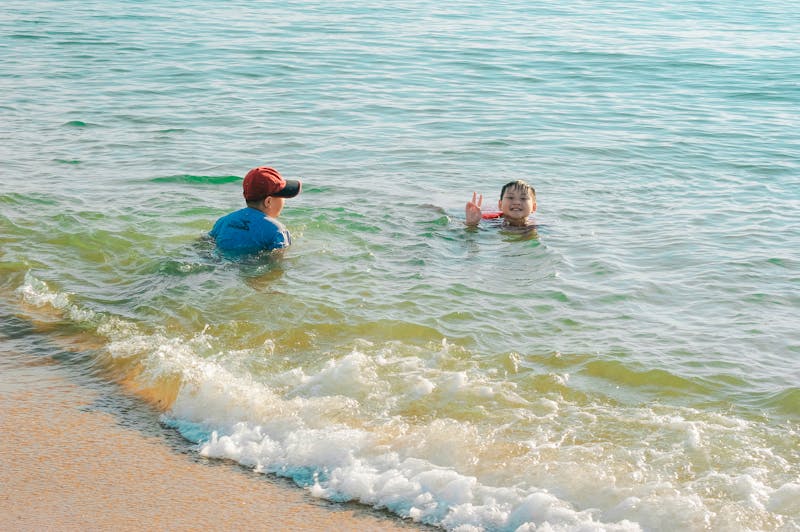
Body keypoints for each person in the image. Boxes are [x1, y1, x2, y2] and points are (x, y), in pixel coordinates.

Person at [209, 166, 302, 256]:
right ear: (268, 201)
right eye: (283, 196)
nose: (284, 201)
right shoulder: (277, 231)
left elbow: (206, 243)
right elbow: (277, 265)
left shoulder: (223, 221)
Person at [465, 179, 536, 228]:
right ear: (500, 205)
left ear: (534, 207)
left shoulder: (537, 226)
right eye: (510, 197)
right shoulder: (489, 220)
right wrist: (472, 224)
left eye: (523, 198)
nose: (516, 202)